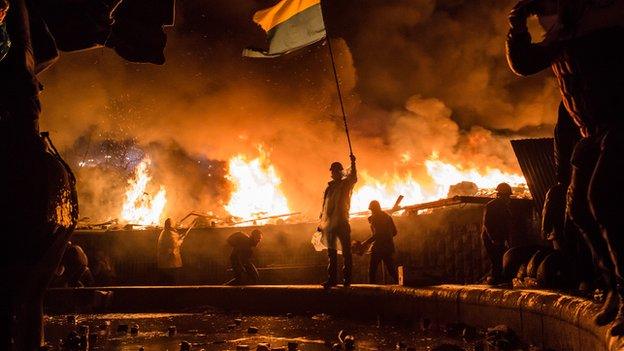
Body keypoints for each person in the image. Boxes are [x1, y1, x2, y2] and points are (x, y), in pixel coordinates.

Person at [506, 0, 624, 334]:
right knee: (579, 211)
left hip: (618, 123)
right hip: (592, 131)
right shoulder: (562, 35)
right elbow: (525, 63)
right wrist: (516, 29)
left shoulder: (605, 23)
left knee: (601, 198)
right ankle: (612, 287)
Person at [318, 154, 357, 288]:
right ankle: (332, 279)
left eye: (335, 171)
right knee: (331, 253)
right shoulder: (329, 188)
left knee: (346, 252)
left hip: (342, 222)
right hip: (330, 225)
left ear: (339, 172)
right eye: (332, 171)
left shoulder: (345, 184)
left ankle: (347, 279)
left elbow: (353, 178)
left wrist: (353, 163)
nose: (333, 173)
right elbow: (325, 207)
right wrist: (321, 224)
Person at [481, 183, 513, 285]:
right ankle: (495, 281)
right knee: (496, 260)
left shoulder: (504, 206)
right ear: (501, 195)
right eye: (507, 195)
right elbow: (487, 223)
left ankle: (497, 280)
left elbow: (506, 225)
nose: (508, 198)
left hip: (500, 237)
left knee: (500, 259)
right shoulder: (492, 205)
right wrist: (493, 238)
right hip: (491, 238)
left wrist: (506, 239)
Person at [362, 200, 399, 284]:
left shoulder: (375, 218)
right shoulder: (387, 216)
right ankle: (402, 286)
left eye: (371, 210)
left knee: (372, 270)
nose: (371, 212)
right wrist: (387, 237)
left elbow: (377, 234)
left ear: (374, 209)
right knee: (391, 270)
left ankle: (370, 290)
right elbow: (394, 232)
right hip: (388, 247)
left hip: (378, 248)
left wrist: (365, 243)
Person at [157, 218, 187, 285]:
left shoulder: (165, 232)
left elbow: (172, 241)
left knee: (167, 283)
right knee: (173, 283)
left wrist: (180, 237)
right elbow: (175, 245)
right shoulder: (170, 233)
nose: (176, 224)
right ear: (171, 225)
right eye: (173, 223)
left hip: (165, 263)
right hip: (171, 264)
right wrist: (181, 239)